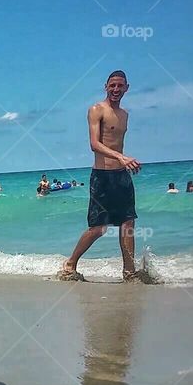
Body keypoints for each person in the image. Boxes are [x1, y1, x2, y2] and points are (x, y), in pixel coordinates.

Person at [59, 70, 144, 283]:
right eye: (112, 85)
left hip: (121, 176)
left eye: (120, 86)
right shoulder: (96, 110)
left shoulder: (125, 114)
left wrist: (123, 162)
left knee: (128, 224)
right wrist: (121, 157)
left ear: (127, 88)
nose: (116, 89)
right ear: (106, 86)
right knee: (98, 228)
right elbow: (94, 144)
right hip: (102, 177)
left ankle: (129, 272)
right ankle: (70, 263)